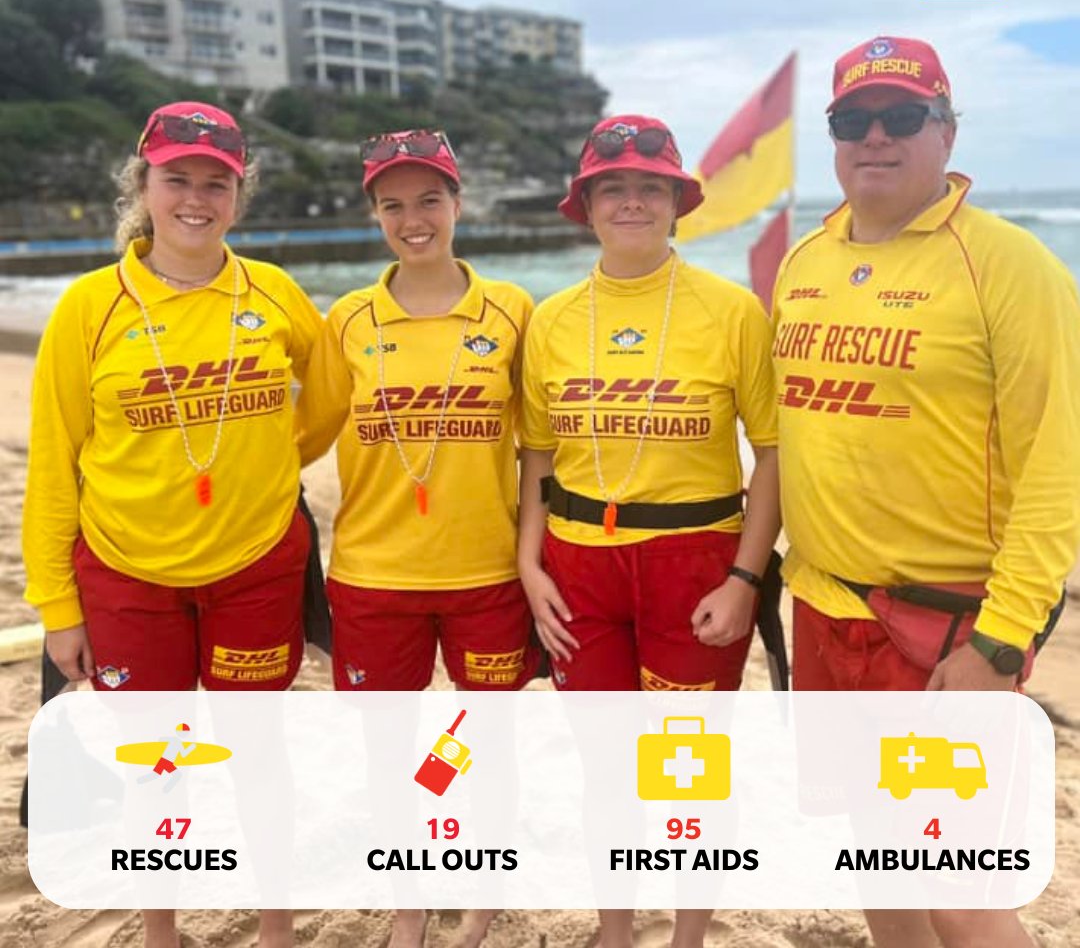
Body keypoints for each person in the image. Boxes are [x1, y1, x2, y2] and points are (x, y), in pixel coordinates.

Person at [772, 35, 1080, 948]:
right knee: (873, 850)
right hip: (825, 610)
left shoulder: (1012, 266)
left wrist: (1001, 640)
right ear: (832, 137)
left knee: (960, 887)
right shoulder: (804, 262)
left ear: (946, 130)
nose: (877, 137)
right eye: (852, 120)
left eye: (903, 117)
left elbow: (1056, 468)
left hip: (947, 627)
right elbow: (790, 436)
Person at [22, 100, 324, 948]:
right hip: (126, 572)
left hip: (257, 565)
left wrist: (267, 460)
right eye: (177, 178)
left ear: (240, 193)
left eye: (217, 182)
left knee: (259, 753)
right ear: (143, 185)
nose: (197, 198)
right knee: (154, 763)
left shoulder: (275, 293)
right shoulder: (90, 308)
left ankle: (274, 930)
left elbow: (331, 398)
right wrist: (57, 607)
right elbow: (54, 467)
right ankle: (161, 931)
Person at [518, 114, 781, 948]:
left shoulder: (733, 311)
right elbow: (535, 458)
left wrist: (744, 579)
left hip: (696, 563)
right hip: (578, 568)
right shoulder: (554, 319)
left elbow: (773, 454)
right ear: (586, 204)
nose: (632, 200)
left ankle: (689, 934)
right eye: (613, 186)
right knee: (605, 763)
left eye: (650, 185)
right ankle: (618, 928)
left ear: (677, 202)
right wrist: (530, 564)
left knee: (687, 765)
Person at [295, 128, 537, 948]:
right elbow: (302, 433)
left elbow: (543, 447)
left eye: (429, 199)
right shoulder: (350, 319)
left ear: (458, 202)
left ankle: (479, 904)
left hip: (488, 574)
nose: (414, 218)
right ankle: (408, 911)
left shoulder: (513, 310)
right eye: (392, 204)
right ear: (375, 215)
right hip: (372, 575)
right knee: (389, 750)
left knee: (484, 743)